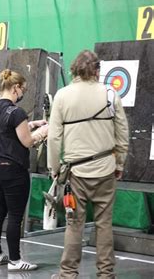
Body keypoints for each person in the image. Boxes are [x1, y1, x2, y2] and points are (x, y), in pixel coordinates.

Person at [47, 50, 129, 278]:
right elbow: (122, 134)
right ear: (96, 70)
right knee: (104, 224)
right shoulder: (111, 94)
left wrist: (55, 169)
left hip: (75, 174)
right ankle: (105, 274)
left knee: (74, 225)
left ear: (74, 69)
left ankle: (68, 274)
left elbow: (54, 138)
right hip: (106, 169)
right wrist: (119, 163)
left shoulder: (62, 96)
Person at [0, 69, 48, 270]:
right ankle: (15, 260)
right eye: (23, 89)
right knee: (15, 215)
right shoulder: (17, 112)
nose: (23, 93)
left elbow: (4, 131)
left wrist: (32, 123)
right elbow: (27, 141)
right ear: (15, 88)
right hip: (13, 170)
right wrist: (43, 131)